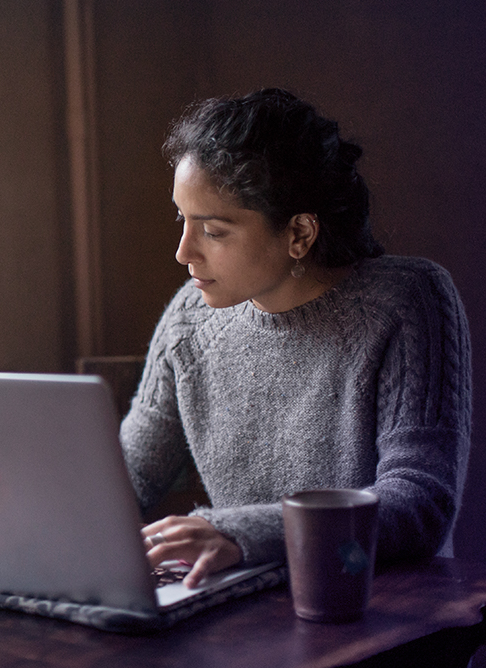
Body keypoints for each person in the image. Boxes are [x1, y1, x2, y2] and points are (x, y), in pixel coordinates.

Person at [121, 88, 472, 589]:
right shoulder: (189, 319)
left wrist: (237, 531)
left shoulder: (408, 301)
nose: (183, 253)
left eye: (213, 231)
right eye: (183, 219)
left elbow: (419, 504)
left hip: (378, 611)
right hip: (246, 612)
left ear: (300, 234)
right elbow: (127, 478)